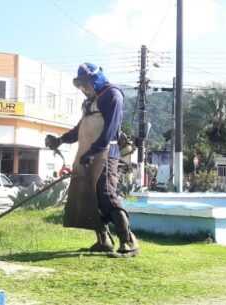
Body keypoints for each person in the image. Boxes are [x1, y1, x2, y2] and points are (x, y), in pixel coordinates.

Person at [45, 63, 139, 257]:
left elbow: (110, 131)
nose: (83, 89)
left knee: (107, 195)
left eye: (86, 84)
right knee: (89, 198)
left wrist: (93, 152)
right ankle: (103, 241)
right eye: (80, 85)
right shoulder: (90, 102)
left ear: (95, 80)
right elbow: (80, 129)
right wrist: (60, 140)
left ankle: (128, 242)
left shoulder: (112, 96)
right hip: (86, 154)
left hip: (105, 154)